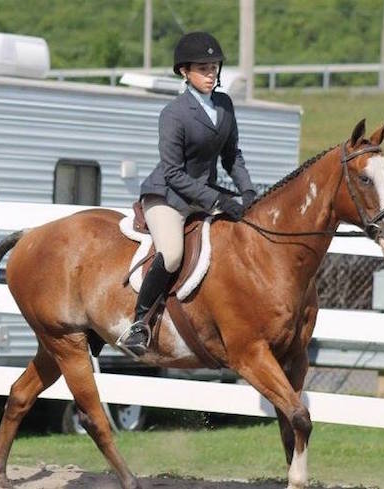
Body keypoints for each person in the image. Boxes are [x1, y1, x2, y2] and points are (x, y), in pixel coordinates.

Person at [116, 31, 257, 356]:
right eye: (203, 68)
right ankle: (139, 324)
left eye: (214, 67)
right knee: (174, 253)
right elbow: (174, 173)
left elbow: (232, 155)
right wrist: (218, 200)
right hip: (167, 195)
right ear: (184, 72)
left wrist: (247, 190)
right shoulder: (174, 113)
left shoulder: (224, 104)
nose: (211, 74)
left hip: (202, 192)